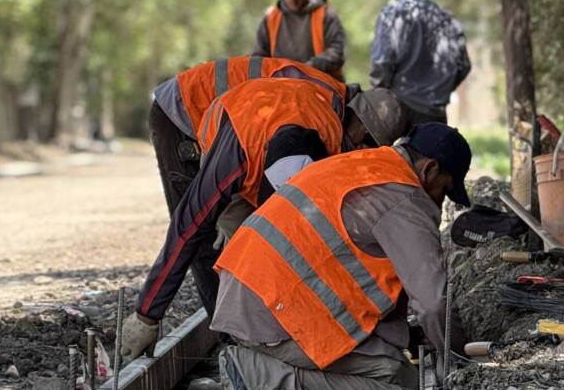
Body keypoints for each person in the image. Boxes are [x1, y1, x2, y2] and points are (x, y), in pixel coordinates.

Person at [121, 80, 411, 359]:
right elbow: (188, 226)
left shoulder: (328, 116)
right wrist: (147, 314)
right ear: (359, 119)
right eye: (367, 141)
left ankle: (255, 332)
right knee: (216, 239)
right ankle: (234, 340)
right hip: (186, 116)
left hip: (265, 135)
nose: (362, 151)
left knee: (266, 244)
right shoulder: (241, 150)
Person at [210, 122, 473, 390]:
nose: (440, 202)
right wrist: (459, 360)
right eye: (444, 190)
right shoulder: (405, 197)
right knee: (401, 385)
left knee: (389, 356)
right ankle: (260, 381)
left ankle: (267, 365)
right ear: (429, 169)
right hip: (269, 312)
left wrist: (408, 336)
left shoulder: (364, 164)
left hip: (249, 291)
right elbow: (432, 303)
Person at [148, 56, 348, 213]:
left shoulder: (324, 96)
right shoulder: (321, 102)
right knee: (198, 213)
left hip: (202, 106)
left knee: (217, 210)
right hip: (179, 109)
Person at [370, 0, 472, 124]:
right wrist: (441, 91)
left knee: (399, 149)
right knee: (433, 148)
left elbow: (382, 62)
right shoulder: (446, 18)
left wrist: (379, 95)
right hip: (435, 112)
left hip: (400, 109)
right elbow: (463, 65)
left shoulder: (391, 14)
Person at [253, 0, 346, 79]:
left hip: (322, 87)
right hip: (280, 86)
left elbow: (336, 53)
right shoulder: (271, 18)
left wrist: (306, 69)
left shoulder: (326, 15)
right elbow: (259, 57)